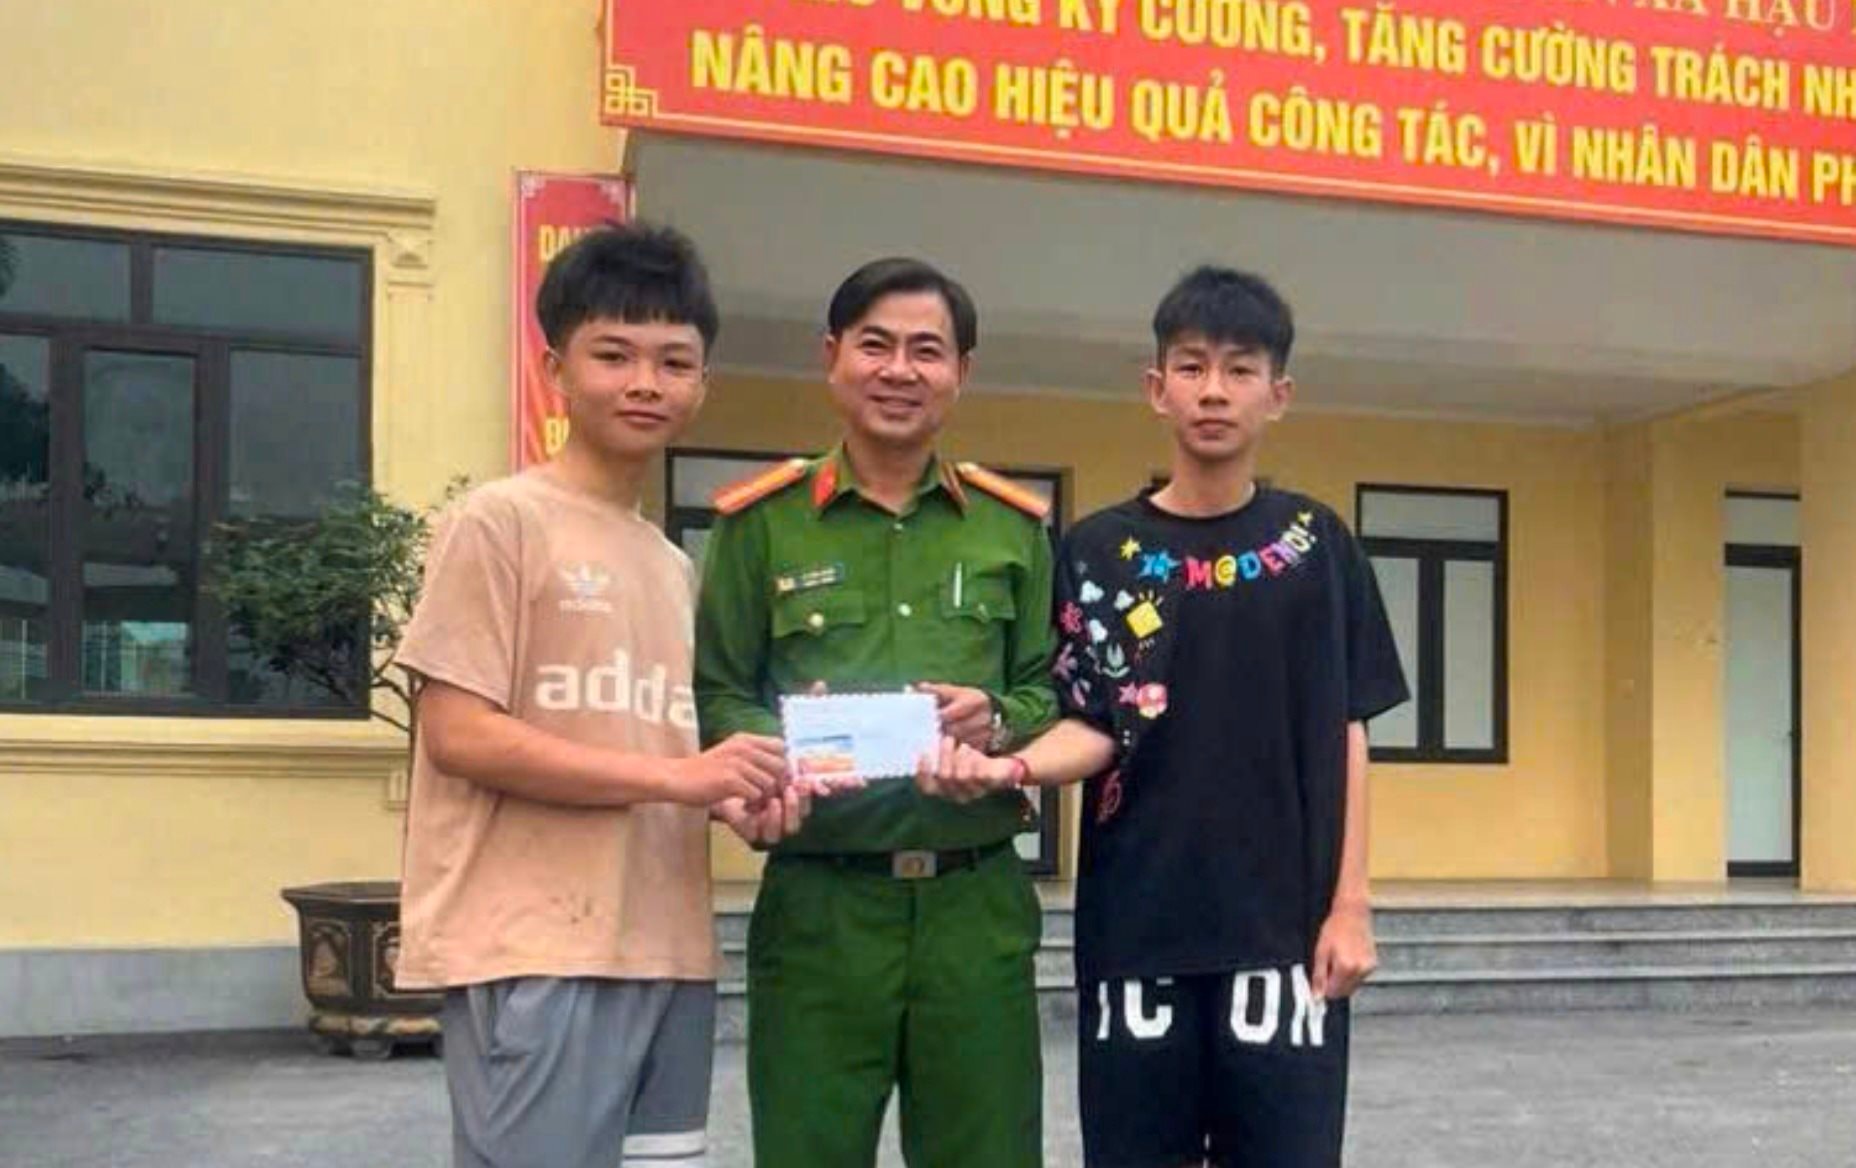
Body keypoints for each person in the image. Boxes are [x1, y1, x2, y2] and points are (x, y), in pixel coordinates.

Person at [920, 265, 1410, 1168]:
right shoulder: (1097, 551)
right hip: (1135, 934)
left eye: (1240, 369)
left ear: (1279, 394)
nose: (1213, 391)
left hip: (1284, 937)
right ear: (1156, 388)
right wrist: (1008, 766)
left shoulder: (1318, 547)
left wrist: (1352, 906)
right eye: (1191, 367)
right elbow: (1092, 720)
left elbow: (1349, 729)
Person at [393, 222, 805, 1168]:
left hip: (669, 951)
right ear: (556, 370)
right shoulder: (499, 523)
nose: (645, 383)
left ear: (703, 383)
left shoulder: (670, 563)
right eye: (613, 355)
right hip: (537, 951)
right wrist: (680, 780)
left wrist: (739, 794)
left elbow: (665, 751)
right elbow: (460, 736)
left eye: (674, 361)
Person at [694, 256, 1059, 1168]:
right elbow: (717, 689)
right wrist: (781, 745)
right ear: (832, 357)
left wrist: (995, 721)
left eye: (927, 351)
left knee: (988, 1156)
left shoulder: (1012, 529)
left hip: (975, 905)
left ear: (961, 372)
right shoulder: (760, 524)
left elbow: (1051, 689)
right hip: (821, 904)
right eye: (876, 345)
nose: (900, 370)